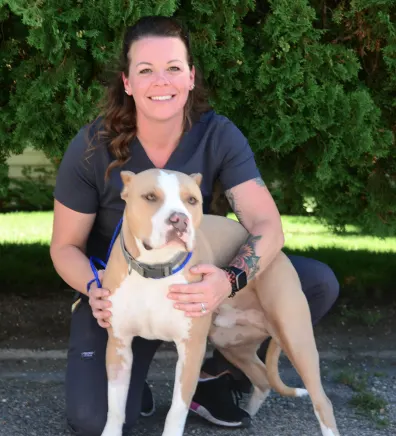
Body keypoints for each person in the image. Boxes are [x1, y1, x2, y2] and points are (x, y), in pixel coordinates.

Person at [50, 15, 339, 435]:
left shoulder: (217, 135)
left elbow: (267, 226)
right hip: (122, 292)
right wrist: (95, 288)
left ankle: (216, 376)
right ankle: (137, 386)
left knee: (314, 282)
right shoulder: (93, 145)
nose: (161, 81)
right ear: (128, 83)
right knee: (93, 420)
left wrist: (229, 280)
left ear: (190, 77)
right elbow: (64, 247)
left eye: (173, 68)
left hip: (195, 287)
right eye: (145, 70)